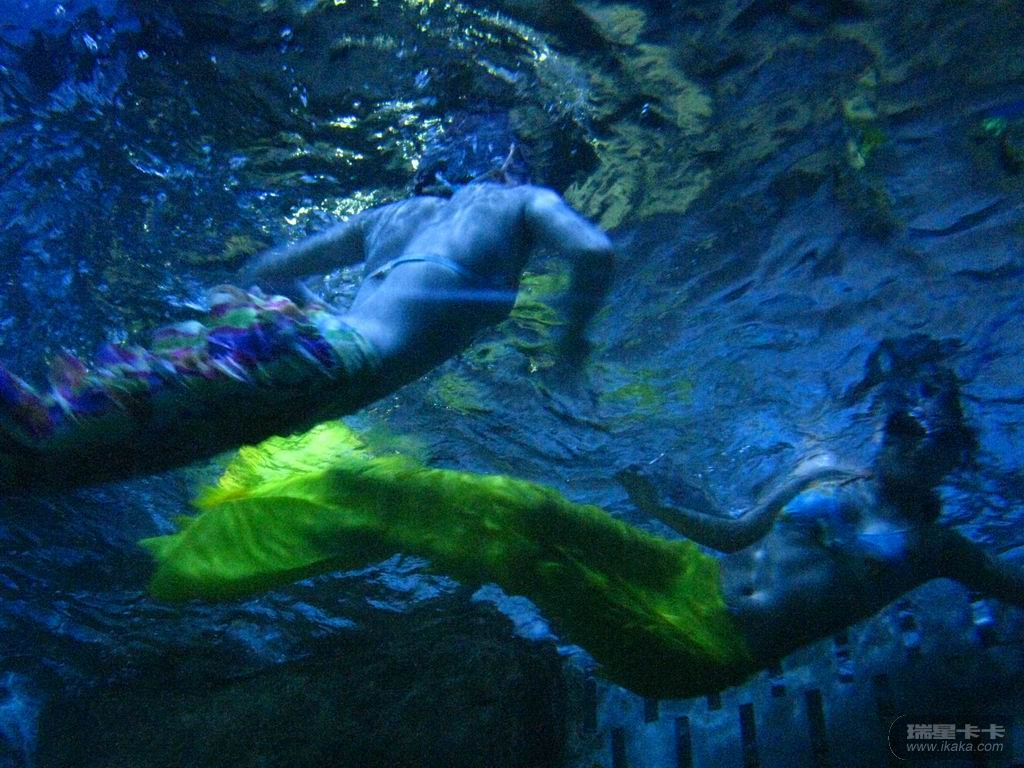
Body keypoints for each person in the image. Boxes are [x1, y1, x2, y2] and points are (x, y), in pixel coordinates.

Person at [140, 336, 1024, 698]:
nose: (902, 441)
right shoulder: (829, 470)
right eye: (899, 424)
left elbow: (1011, 585)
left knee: (529, 561)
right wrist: (661, 508)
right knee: (522, 505)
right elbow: (734, 533)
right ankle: (329, 480)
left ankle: (276, 535)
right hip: (687, 572)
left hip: (705, 647)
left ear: (951, 455)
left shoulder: (937, 549)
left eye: (925, 436)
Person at [0, 157, 613, 491]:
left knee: (80, 441)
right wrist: (572, 345)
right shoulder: (520, 199)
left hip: (317, 357)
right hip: (332, 365)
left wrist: (318, 322)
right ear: (509, 166)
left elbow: (265, 270)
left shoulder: (396, 214)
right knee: (75, 440)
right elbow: (593, 251)